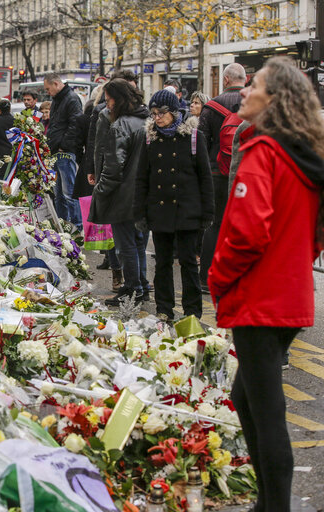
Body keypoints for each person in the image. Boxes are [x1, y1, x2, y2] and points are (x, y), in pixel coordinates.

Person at [208, 56, 324, 512]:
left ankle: (274, 505)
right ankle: (268, 501)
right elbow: (316, 233)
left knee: (266, 410)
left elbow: (246, 231)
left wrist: (218, 277)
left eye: (253, 86)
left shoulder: (262, 150)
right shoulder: (304, 155)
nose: (245, 93)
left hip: (260, 297)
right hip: (289, 294)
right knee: (248, 398)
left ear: (273, 100)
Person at [134, 89, 214, 321]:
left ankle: (192, 312)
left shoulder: (192, 137)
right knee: (163, 262)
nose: (157, 117)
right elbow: (141, 178)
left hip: (188, 210)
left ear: (175, 112)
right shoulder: (150, 139)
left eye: (162, 113)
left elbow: (205, 177)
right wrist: (139, 212)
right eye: (154, 113)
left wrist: (208, 212)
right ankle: (164, 309)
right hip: (160, 211)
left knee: (189, 262)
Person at [88, 78, 150, 305]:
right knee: (138, 244)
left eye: (108, 100)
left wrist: (101, 191)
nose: (107, 106)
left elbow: (114, 166)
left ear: (118, 99)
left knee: (126, 246)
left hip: (124, 194)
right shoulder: (146, 120)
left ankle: (133, 289)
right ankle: (141, 287)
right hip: (142, 192)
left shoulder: (121, 125)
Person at [198, 62, 246, 292]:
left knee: (214, 225)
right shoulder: (256, 104)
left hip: (216, 173)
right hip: (247, 176)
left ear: (225, 80)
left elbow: (199, 142)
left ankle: (206, 277)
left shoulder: (212, 106)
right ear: (244, 80)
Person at [44, 72, 83, 228]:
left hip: (65, 152)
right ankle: (62, 224)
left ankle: (76, 226)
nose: (48, 92)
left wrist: (63, 145)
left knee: (69, 193)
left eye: (48, 89)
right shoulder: (58, 100)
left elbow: (76, 124)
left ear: (56, 84)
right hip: (56, 151)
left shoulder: (71, 99)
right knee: (59, 194)